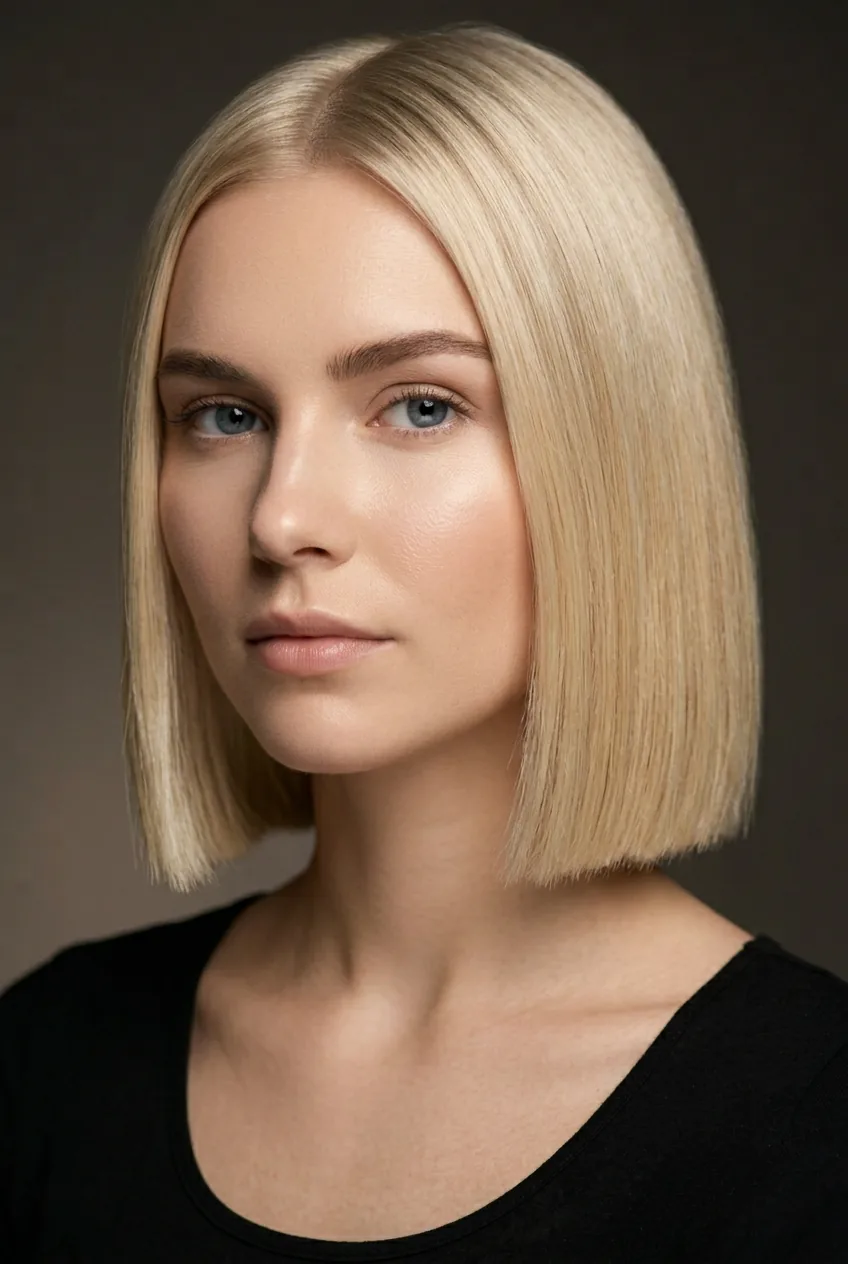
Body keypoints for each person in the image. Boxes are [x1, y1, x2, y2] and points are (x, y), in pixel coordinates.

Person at [2, 19, 846, 1263]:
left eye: (418, 404)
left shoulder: (813, 1128)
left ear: (614, 456)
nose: (283, 516)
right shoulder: (43, 1066)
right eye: (223, 414)